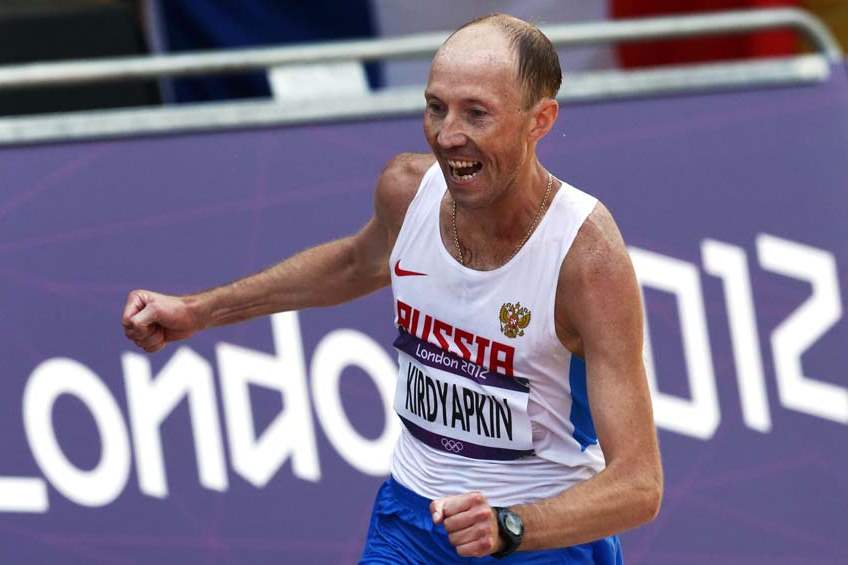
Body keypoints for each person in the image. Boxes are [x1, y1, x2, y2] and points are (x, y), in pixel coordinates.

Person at [122, 13, 662, 564]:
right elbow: (354, 264)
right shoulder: (408, 192)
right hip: (411, 524)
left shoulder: (585, 256)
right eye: (436, 108)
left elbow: (640, 485)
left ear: (539, 120)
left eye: (476, 114)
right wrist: (198, 310)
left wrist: (510, 525)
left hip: (540, 537)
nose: (448, 135)